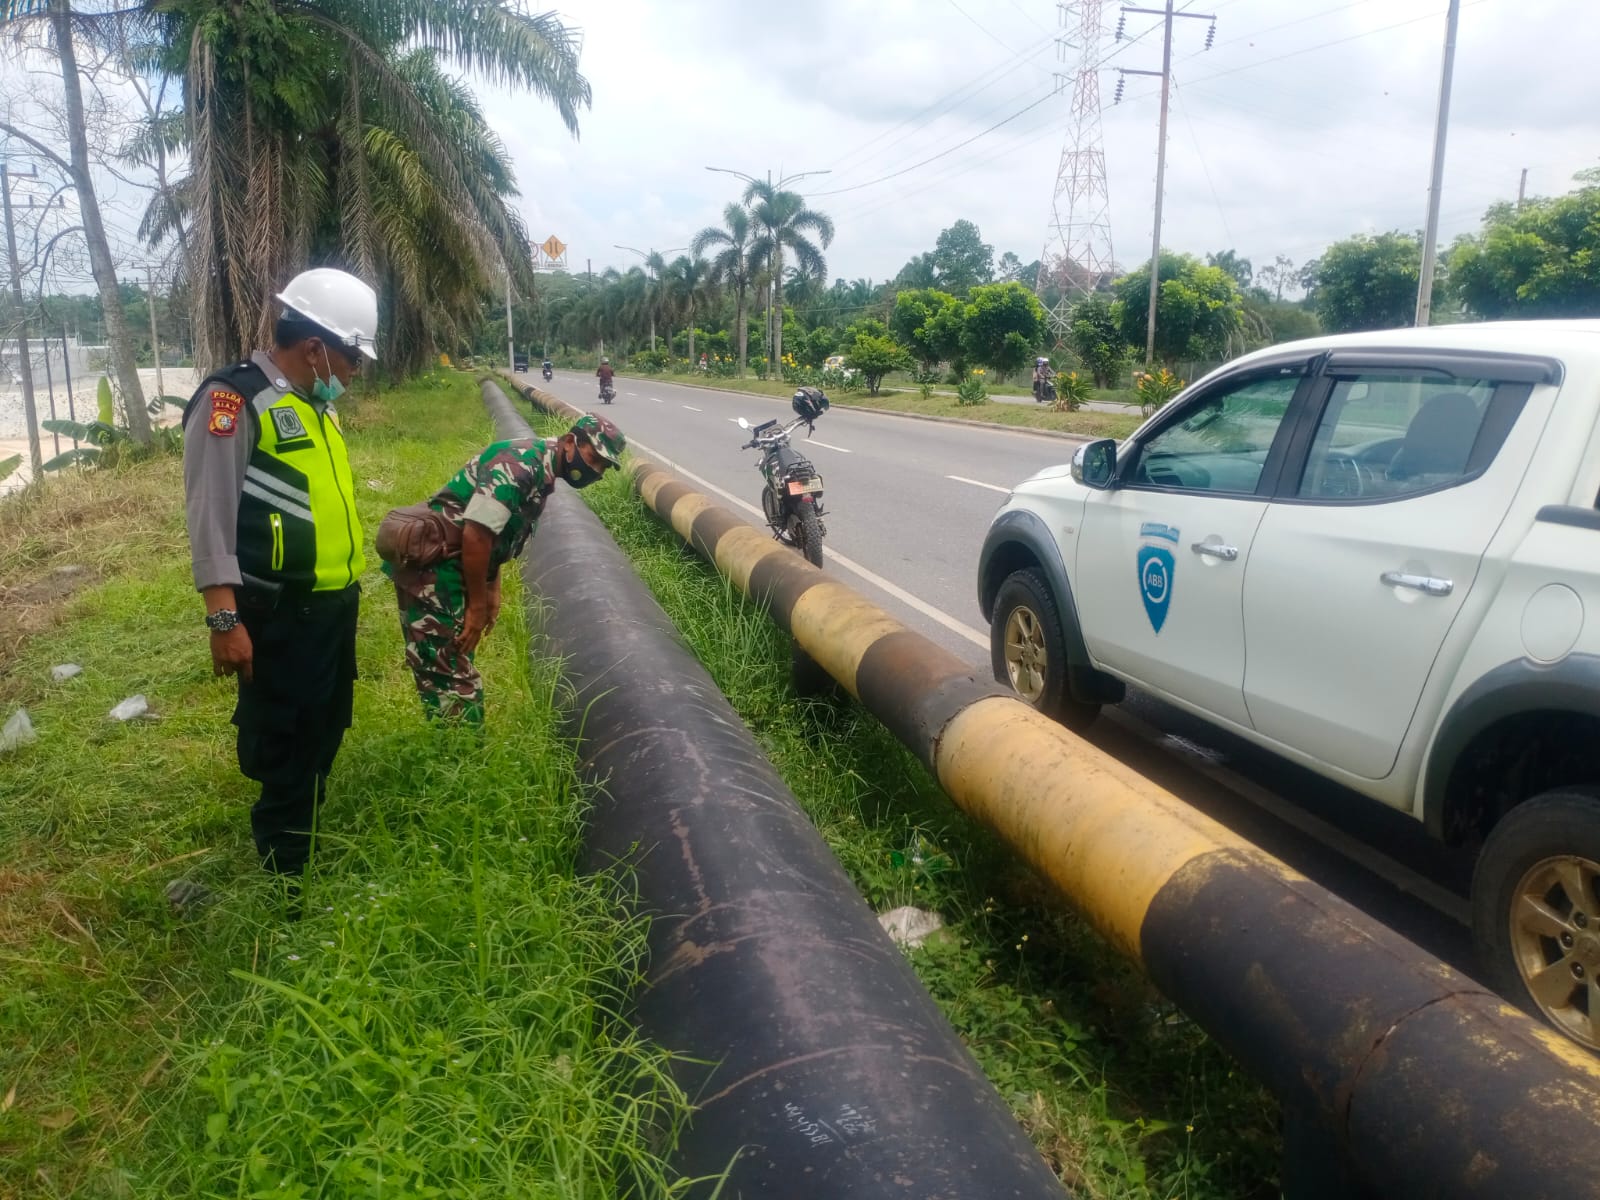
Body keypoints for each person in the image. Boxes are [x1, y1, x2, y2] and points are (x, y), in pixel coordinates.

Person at [181, 267, 377, 880]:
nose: (355, 372)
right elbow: (209, 517)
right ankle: (286, 885)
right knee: (287, 744)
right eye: (352, 357)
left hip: (333, 609)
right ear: (316, 348)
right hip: (283, 616)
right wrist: (223, 619)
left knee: (325, 728)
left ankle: (303, 839)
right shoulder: (234, 401)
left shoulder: (315, 406)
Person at [387, 414, 626, 723]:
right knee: (449, 675)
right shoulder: (520, 466)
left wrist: (492, 589)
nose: (595, 471)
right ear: (570, 441)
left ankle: (453, 748)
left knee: (452, 662)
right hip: (436, 569)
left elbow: (499, 534)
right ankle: (457, 758)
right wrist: (476, 606)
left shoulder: (543, 468)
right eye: (593, 458)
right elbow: (476, 535)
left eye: (603, 467)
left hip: (454, 565)